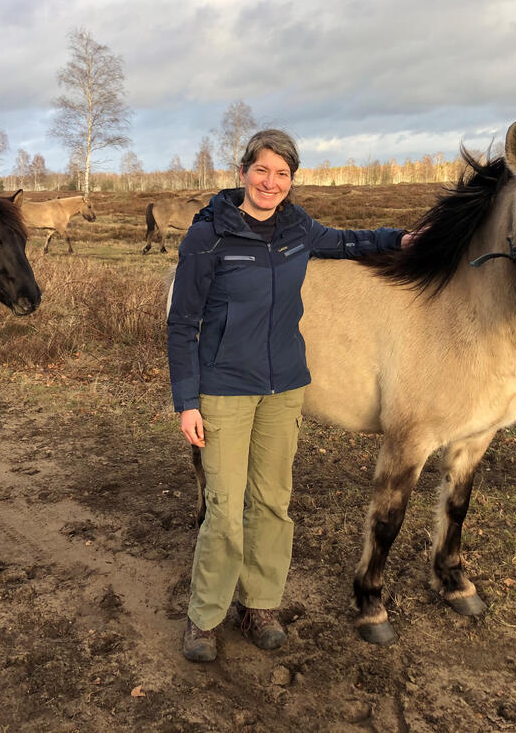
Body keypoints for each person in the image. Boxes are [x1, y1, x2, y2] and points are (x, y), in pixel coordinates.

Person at [167, 129, 414, 662]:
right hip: (225, 391)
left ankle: (258, 605)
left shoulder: (296, 228)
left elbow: (347, 242)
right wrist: (187, 401)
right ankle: (204, 617)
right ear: (242, 173)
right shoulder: (208, 236)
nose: (270, 182)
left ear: (291, 181)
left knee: (272, 504)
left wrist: (401, 239)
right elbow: (182, 322)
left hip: (283, 391)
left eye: (282, 174)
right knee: (224, 509)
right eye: (261, 170)